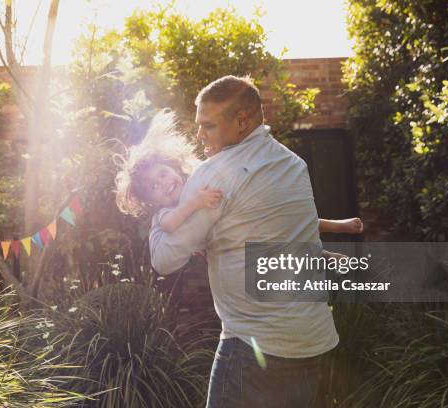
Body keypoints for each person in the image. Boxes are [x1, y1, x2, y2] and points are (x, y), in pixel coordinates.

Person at [142, 75, 343, 407]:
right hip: (312, 342)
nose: (199, 135)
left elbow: (164, 259)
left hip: (254, 347)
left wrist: (157, 219)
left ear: (242, 121)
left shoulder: (213, 175)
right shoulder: (294, 165)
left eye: (208, 126)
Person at [115, 110, 363, 238]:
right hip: (232, 241)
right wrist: (194, 203)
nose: (163, 183)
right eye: (153, 188)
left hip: (244, 217)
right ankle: (323, 256)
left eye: (161, 174)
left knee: (282, 220)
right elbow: (169, 226)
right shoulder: (166, 213)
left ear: (173, 166)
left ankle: (333, 226)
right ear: (152, 201)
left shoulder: (197, 176)